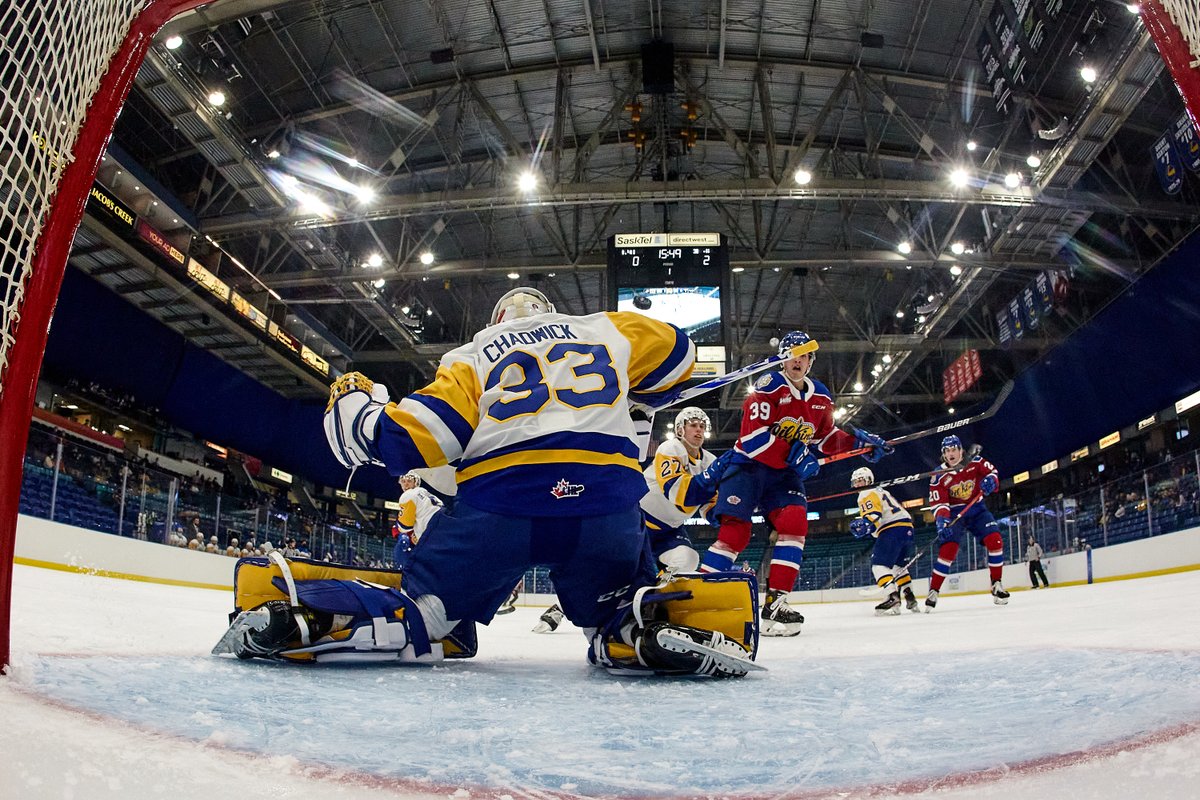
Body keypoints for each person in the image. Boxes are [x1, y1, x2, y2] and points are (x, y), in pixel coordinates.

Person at [219, 287, 758, 677]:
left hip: (503, 508)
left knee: (428, 614)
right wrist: (634, 391)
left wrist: (362, 414)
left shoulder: (474, 355)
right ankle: (637, 629)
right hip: (605, 508)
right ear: (552, 312)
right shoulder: (604, 328)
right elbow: (680, 354)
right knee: (614, 611)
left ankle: (308, 617)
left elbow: (421, 439)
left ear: (497, 317)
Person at [698, 330, 892, 636]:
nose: (798, 361)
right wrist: (794, 454)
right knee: (735, 535)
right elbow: (752, 439)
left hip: (782, 473)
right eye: (792, 355)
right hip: (748, 466)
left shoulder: (821, 397)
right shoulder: (768, 386)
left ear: (811, 360)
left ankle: (776, 604)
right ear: (782, 360)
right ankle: (699, 599)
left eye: (804, 355)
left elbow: (826, 439)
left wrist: (858, 444)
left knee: (795, 523)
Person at [533, 406, 726, 634]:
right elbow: (677, 493)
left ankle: (650, 605)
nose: (699, 430)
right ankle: (560, 608)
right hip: (638, 521)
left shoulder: (711, 461)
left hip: (669, 530)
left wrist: (728, 513)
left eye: (702, 426)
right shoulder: (670, 447)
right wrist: (714, 476)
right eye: (693, 425)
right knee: (606, 572)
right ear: (680, 430)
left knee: (688, 559)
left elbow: (708, 507)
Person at [925, 435, 1009, 610]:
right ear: (943, 454)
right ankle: (934, 590)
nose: (951, 454)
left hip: (977, 509)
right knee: (948, 549)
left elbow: (992, 472)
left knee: (995, 540)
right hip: (955, 514)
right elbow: (939, 503)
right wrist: (942, 521)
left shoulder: (976, 462)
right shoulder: (938, 476)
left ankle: (996, 584)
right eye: (947, 451)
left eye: (954, 449)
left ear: (961, 450)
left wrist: (991, 481)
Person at [848, 467, 919, 614]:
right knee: (898, 567)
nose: (858, 485)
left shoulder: (866, 493)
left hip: (892, 529)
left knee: (879, 566)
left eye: (861, 481)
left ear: (869, 480)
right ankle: (910, 597)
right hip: (907, 528)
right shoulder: (881, 491)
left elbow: (874, 516)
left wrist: (866, 524)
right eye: (856, 482)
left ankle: (892, 597)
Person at [392, 471, 444, 568]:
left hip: (432, 533)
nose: (406, 484)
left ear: (416, 482)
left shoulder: (407, 496)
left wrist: (413, 534)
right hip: (444, 526)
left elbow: (404, 527)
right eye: (403, 481)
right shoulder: (425, 492)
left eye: (409, 481)